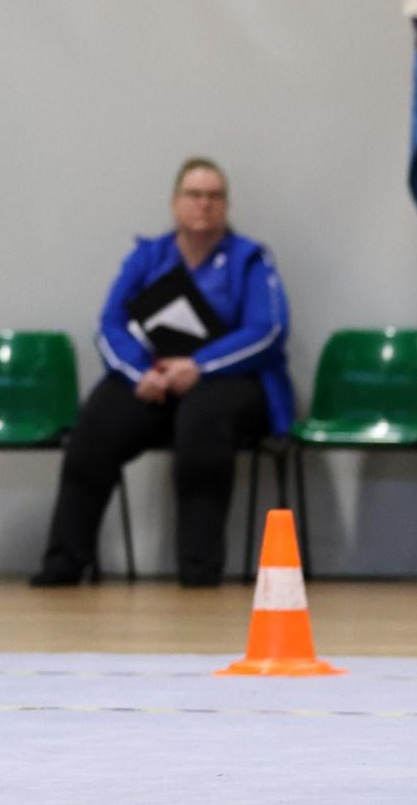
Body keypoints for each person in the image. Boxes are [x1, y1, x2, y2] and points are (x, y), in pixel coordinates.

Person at [33, 159, 291, 590]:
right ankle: (64, 562)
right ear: (175, 203)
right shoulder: (148, 257)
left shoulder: (250, 259)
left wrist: (200, 366)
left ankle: (199, 570)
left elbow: (268, 332)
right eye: (194, 194)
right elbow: (109, 324)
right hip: (155, 380)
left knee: (202, 420)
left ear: (226, 206)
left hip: (228, 384)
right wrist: (140, 374)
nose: (204, 204)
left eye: (214, 196)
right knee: (97, 422)